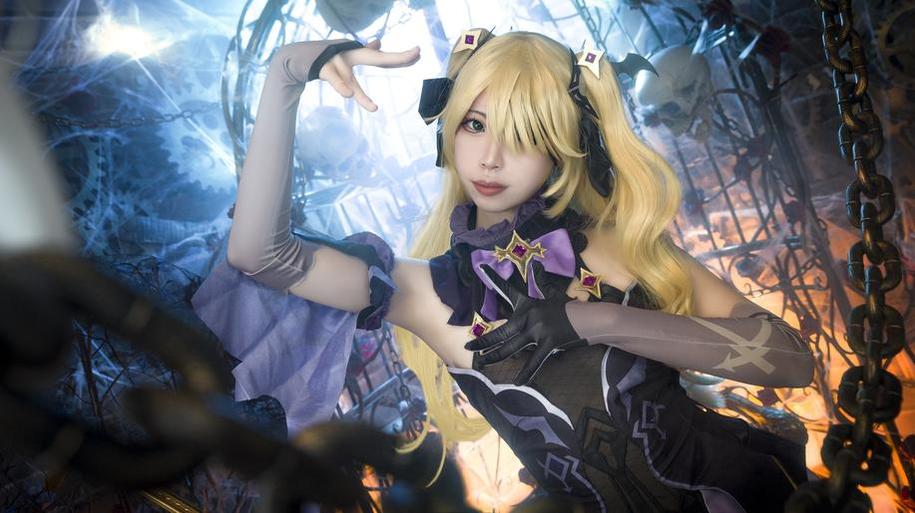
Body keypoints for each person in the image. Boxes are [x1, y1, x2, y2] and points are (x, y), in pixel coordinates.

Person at [191, 29, 814, 513]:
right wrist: (287, 72)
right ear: (449, 127)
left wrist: (597, 320)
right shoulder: (428, 292)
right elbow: (260, 255)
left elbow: (791, 359)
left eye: (525, 133)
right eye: (475, 123)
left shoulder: (623, 245)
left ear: (561, 145)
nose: (490, 157)